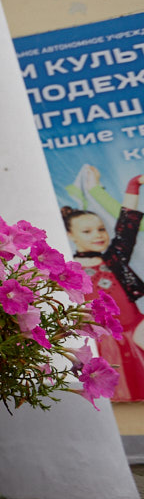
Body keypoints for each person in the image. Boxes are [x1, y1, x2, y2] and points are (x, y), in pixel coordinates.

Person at [62, 167, 144, 400]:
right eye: (87, 231)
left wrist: (134, 184)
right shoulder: (68, 271)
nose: (98, 235)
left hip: (137, 329)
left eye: (100, 229)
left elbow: (126, 225)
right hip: (107, 343)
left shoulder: (114, 258)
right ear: (70, 234)